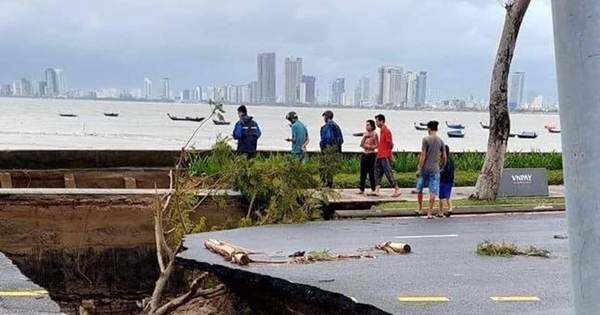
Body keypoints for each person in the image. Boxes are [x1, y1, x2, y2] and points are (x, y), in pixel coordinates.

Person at [416, 120, 447, 219]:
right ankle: (429, 212)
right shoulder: (441, 141)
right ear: (437, 129)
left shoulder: (425, 139)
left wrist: (419, 168)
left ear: (428, 128)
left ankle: (420, 208)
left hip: (425, 168)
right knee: (433, 191)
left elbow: (423, 155)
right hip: (435, 169)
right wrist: (442, 166)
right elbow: (444, 156)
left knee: (420, 188)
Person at [373, 114, 401, 197]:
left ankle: (397, 189)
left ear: (381, 121)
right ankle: (377, 190)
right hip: (380, 155)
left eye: (377, 121)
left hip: (385, 156)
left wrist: (390, 154)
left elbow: (390, 144)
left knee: (388, 173)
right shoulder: (382, 130)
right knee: (378, 173)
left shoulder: (386, 131)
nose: (376, 123)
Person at [319, 110, 343, 187]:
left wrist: (323, 146)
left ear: (326, 117)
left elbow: (327, 138)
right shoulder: (337, 126)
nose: (324, 119)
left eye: (324, 117)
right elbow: (341, 140)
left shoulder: (327, 126)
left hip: (327, 150)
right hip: (334, 150)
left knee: (323, 167)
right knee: (330, 167)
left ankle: (324, 182)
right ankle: (329, 183)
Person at [358, 119, 379, 195]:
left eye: (368, 125)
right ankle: (361, 188)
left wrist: (371, 147)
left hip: (371, 154)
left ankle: (373, 188)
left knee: (371, 172)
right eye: (366, 125)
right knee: (362, 172)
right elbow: (361, 144)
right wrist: (365, 138)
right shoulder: (365, 134)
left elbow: (377, 145)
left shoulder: (375, 134)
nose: (367, 126)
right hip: (364, 154)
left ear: (372, 126)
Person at [438, 145, 454, 217]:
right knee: (448, 196)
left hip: (443, 180)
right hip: (450, 180)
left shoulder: (444, 161)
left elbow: (443, 170)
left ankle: (441, 212)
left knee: (441, 196)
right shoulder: (451, 160)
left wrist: (438, 172)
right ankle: (450, 208)